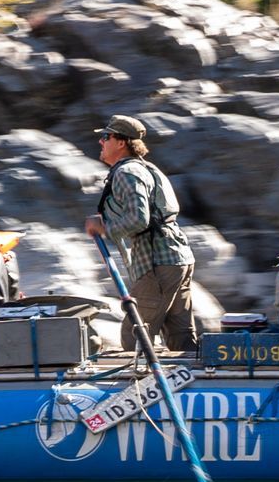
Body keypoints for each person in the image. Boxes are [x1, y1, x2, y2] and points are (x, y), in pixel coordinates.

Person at [83, 114, 198, 357]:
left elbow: (138, 219)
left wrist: (104, 228)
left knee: (135, 334)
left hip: (158, 262)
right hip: (177, 258)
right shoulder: (146, 168)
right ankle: (194, 385)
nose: (101, 142)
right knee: (181, 335)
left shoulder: (127, 173)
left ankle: (142, 390)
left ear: (121, 142)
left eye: (105, 137)